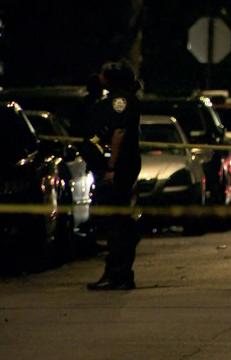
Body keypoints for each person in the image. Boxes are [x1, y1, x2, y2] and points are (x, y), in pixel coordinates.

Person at [87, 60, 142, 291]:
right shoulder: (117, 99)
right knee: (117, 221)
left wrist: (111, 166)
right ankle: (119, 273)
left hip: (120, 166)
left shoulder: (120, 101)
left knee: (116, 222)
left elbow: (118, 132)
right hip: (123, 165)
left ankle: (117, 274)